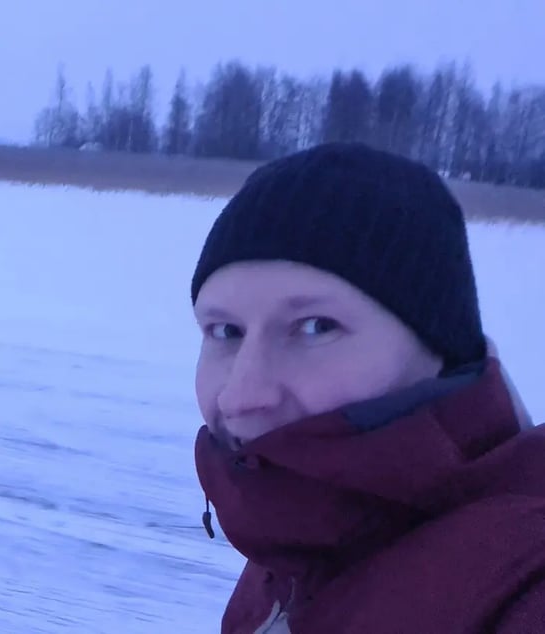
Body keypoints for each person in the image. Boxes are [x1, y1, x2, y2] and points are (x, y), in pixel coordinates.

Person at [189, 141, 541, 633]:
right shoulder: (302, 525)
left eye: (315, 327)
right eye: (225, 331)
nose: (241, 395)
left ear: (439, 346)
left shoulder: (522, 582)